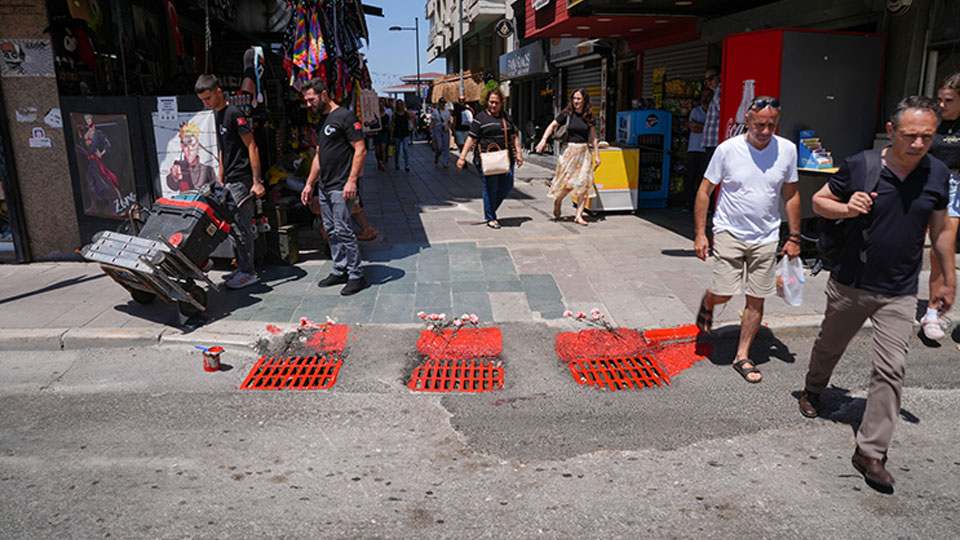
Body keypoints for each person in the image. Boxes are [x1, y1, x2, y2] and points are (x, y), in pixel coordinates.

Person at [798, 96, 954, 490]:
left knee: (891, 369)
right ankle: (815, 386)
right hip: (852, 281)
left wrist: (945, 278)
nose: (918, 144)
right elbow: (819, 201)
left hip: (900, 289)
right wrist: (847, 208)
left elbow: (940, 230)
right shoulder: (861, 165)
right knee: (830, 345)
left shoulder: (936, 173)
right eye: (910, 135)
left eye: (927, 136)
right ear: (891, 131)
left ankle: (870, 451)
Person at [693, 95, 801, 383]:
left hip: (766, 236)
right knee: (726, 291)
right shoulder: (728, 150)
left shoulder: (787, 150)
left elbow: (790, 195)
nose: (765, 131)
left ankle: (742, 355)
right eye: (759, 124)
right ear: (747, 121)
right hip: (729, 231)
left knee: (757, 296)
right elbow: (705, 191)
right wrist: (701, 234)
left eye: (771, 125)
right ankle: (710, 300)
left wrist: (794, 236)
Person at [195, 74, 265, 289]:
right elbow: (224, 149)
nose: (205, 103)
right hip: (230, 180)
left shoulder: (235, 114)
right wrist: (220, 177)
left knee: (242, 227)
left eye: (207, 98)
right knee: (233, 227)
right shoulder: (218, 115)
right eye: (202, 100)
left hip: (242, 180)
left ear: (218, 91)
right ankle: (242, 267)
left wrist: (257, 181)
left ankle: (249, 272)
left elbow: (252, 146)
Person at [299, 78, 368, 296]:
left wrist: (352, 180)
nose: (309, 105)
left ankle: (356, 274)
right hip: (325, 186)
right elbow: (319, 155)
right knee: (330, 229)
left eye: (311, 100)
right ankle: (340, 269)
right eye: (306, 101)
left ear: (325, 94)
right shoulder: (321, 121)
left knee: (343, 229)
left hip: (342, 185)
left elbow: (360, 149)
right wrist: (309, 184)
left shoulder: (345, 116)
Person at [921, 73, 960, 340]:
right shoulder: (931, 122)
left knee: (941, 250)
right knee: (927, 250)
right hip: (926, 185)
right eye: (939, 99)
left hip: (954, 189)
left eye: (948, 100)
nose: (942, 105)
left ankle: (933, 310)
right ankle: (929, 311)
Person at [457, 88, 523, 229]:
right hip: (486, 160)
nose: (493, 105)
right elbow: (471, 138)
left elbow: (514, 136)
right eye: (491, 102)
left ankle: (491, 210)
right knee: (491, 188)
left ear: (501, 103)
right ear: (487, 101)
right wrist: (462, 157)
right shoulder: (480, 118)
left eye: (496, 103)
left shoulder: (507, 118)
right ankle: (491, 217)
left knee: (507, 186)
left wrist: (519, 153)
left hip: (506, 159)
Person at [535, 88, 600, 226]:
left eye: (579, 99)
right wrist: (543, 140)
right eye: (574, 98)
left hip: (584, 152)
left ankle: (579, 216)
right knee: (567, 182)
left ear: (584, 100)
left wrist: (597, 155)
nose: (576, 101)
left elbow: (594, 137)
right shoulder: (567, 114)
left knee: (583, 183)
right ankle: (558, 200)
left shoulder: (589, 116)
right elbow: (552, 125)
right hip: (570, 152)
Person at [166, 121, 216, 193]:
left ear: (198, 145)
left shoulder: (208, 170)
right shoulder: (178, 167)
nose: (189, 149)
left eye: (192, 144)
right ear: (182, 147)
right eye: (186, 145)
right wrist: (174, 178)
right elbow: (172, 184)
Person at [684, 88, 713, 211]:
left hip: (706, 150)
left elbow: (698, 127)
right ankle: (688, 203)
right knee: (690, 177)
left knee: (705, 179)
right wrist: (707, 127)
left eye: (707, 96)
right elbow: (693, 127)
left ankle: (704, 206)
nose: (704, 99)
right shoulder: (696, 111)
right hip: (694, 149)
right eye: (703, 96)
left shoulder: (714, 112)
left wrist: (700, 126)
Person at [702, 66, 722, 161]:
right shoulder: (716, 92)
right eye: (706, 80)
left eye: (711, 78)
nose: (708, 82)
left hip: (714, 142)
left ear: (720, 76)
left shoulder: (719, 91)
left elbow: (721, 111)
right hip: (712, 141)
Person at [431, 98, 452, 168]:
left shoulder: (447, 112)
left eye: (444, 102)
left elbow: (449, 121)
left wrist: (449, 127)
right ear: (439, 103)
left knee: (446, 146)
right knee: (439, 146)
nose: (442, 104)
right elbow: (433, 121)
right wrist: (431, 130)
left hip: (445, 129)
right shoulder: (435, 111)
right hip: (438, 128)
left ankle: (445, 162)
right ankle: (437, 155)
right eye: (441, 102)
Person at [390, 99, 411, 171]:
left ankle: (407, 165)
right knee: (397, 150)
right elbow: (392, 125)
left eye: (401, 104)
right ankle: (397, 163)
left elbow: (409, 123)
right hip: (397, 134)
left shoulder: (406, 114)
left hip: (405, 133)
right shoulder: (394, 115)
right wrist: (391, 135)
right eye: (398, 104)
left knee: (405, 149)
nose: (400, 106)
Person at [374, 101, 390, 171]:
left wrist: (391, 134)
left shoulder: (386, 115)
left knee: (383, 149)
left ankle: (383, 164)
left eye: (382, 105)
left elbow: (389, 124)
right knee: (377, 151)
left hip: (384, 132)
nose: (380, 107)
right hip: (377, 133)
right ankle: (378, 162)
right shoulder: (375, 115)